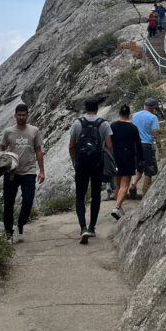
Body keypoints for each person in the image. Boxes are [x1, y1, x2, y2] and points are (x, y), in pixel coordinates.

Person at [0, 103, 45, 243]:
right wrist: (3, 159)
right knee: (8, 203)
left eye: (24, 115)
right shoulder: (8, 132)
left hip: (29, 172)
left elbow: (38, 150)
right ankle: (8, 233)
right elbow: (1, 148)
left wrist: (42, 170)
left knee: (28, 201)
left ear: (27, 115)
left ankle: (20, 225)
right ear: (15, 116)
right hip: (11, 172)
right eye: (19, 115)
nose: (21, 117)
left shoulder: (34, 131)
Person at [69, 98, 113, 244]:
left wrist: (74, 161)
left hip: (82, 164)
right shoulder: (103, 124)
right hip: (97, 164)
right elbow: (108, 145)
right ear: (97, 108)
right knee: (95, 195)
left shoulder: (77, 123)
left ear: (85, 108)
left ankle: (82, 228)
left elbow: (71, 145)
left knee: (80, 196)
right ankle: (92, 227)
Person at [109, 104, 143, 220]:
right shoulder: (132, 128)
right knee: (125, 185)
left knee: (117, 185)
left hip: (115, 157)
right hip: (128, 157)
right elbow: (138, 145)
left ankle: (119, 206)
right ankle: (117, 207)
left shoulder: (113, 126)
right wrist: (141, 159)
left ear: (119, 113)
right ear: (129, 114)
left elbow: (108, 142)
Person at [129, 98, 161, 197]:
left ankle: (133, 185)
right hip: (147, 145)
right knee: (149, 171)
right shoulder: (153, 117)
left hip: (135, 145)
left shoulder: (135, 115)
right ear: (152, 108)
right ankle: (145, 193)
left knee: (139, 169)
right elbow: (156, 133)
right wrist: (159, 147)